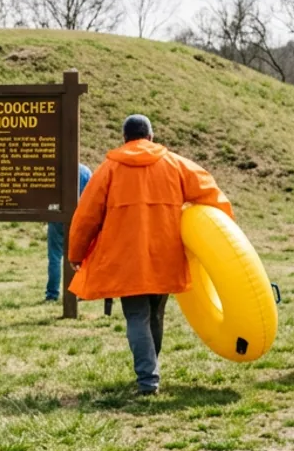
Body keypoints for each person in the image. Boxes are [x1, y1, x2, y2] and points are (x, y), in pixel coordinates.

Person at [68, 115, 233, 395]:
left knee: (136, 317)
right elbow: (211, 193)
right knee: (156, 315)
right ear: (151, 136)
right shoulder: (176, 164)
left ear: (124, 138)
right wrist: (224, 234)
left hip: (126, 259)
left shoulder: (109, 169)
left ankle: (147, 379)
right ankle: (151, 371)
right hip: (165, 254)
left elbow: (86, 215)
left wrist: (77, 251)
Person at [45, 162, 93, 302]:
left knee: (55, 257)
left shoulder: (55, 170)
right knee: (82, 257)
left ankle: (52, 294)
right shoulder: (85, 171)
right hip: (79, 219)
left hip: (57, 217)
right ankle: (81, 292)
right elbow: (90, 197)